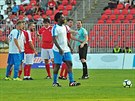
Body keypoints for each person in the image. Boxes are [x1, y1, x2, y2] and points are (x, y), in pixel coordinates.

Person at [51, 12, 81, 87]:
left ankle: (71, 82)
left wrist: (70, 47)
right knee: (57, 66)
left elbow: (65, 38)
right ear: (58, 19)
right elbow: (54, 40)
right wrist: (60, 49)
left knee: (70, 64)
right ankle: (55, 82)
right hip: (58, 50)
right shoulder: (55, 28)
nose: (64, 19)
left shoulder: (64, 27)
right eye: (62, 17)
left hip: (66, 49)